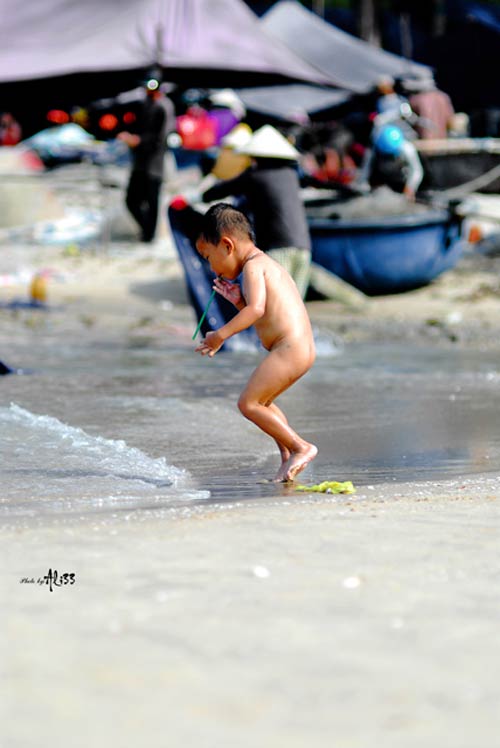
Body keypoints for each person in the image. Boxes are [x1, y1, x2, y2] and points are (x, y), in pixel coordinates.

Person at [195, 203, 317, 483]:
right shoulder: (263, 264)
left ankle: (301, 447)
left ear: (227, 245)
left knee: (248, 403)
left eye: (208, 256)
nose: (210, 266)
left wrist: (220, 335)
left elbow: (257, 311)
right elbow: (263, 311)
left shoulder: (253, 268)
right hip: (298, 348)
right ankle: (288, 457)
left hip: (290, 348)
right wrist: (238, 301)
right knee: (264, 401)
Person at [201, 125, 311, 299]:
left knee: (273, 307)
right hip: (304, 248)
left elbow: (215, 192)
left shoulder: (255, 175)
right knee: (294, 308)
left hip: (277, 249)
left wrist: (202, 197)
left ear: (255, 157)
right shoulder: (290, 174)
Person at [118, 72, 175, 242]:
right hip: (140, 163)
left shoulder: (164, 106)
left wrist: (138, 141)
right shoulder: (145, 104)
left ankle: (149, 236)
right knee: (132, 200)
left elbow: (161, 138)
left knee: (152, 202)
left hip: (155, 164)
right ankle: (146, 231)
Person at [357, 123, 424, 200]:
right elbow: (365, 170)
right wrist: (363, 188)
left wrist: (410, 187)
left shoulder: (407, 149)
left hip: (401, 180)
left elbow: (416, 170)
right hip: (381, 184)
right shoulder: (373, 149)